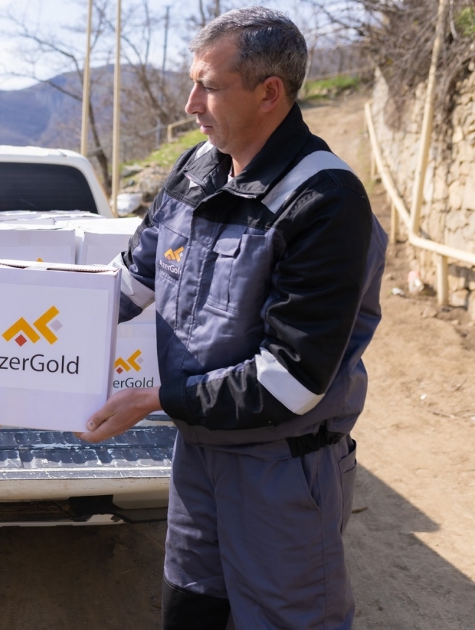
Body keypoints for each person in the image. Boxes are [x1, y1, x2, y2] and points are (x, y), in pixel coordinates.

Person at [78, 7, 387, 629]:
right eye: (192, 83)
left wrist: (156, 399)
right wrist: (14, 340)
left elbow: (290, 381)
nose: (191, 103)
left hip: (281, 471)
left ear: (270, 92)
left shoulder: (324, 201)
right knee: (192, 611)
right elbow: (130, 282)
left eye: (210, 87)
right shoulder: (197, 170)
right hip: (200, 455)